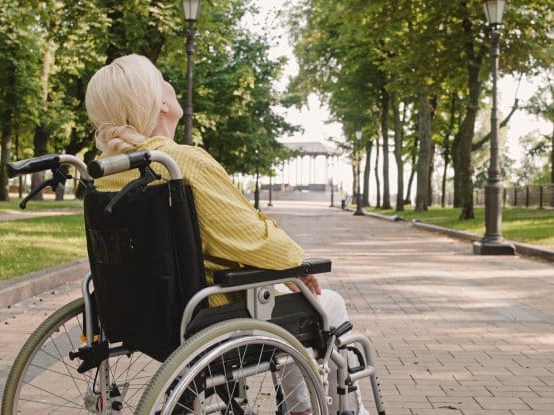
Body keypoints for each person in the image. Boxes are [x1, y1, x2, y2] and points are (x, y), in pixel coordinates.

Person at [85, 54, 368, 415]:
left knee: (303, 301)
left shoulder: (104, 175)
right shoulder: (179, 163)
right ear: (159, 104)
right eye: (160, 81)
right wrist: (297, 264)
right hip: (211, 314)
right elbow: (250, 238)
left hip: (142, 315)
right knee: (327, 304)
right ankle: (307, 410)